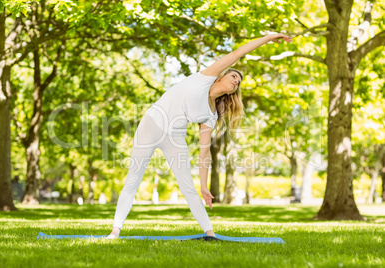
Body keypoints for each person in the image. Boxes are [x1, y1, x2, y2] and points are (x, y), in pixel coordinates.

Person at [107, 33, 292, 239]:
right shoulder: (206, 76)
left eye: (238, 82)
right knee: (133, 179)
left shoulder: (211, 115)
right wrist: (268, 38)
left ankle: (210, 233)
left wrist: (204, 186)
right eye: (233, 77)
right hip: (151, 124)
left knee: (189, 188)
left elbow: (204, 153)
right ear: (221, 76)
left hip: (174, 137)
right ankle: (116, 230)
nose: (236, 82)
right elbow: (239, 52)